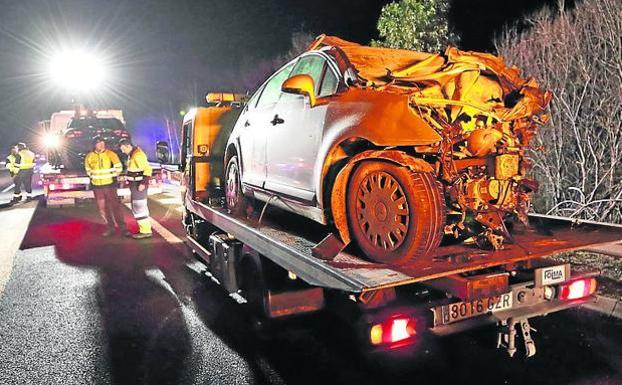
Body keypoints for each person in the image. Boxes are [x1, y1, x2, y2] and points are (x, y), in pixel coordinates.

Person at [84, 136, 128, 237]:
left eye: (103, 143)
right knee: (103, 209)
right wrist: (94, 177)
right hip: (97, 186)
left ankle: (123, 228)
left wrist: (112, 177)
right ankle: (110, 228)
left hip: (110, 185)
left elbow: (118, 167)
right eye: (99, 143)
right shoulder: (89, 156)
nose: (101, 145)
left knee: (116, 207)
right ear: (95, 145)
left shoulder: (110, 154)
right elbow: (88, 169)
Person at [119, 138, 153, 239]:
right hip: (135, 185)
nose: (122, 151)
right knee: (137, 207)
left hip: (138, 186)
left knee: (139, 207)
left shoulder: (137, 155)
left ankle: (145, 231)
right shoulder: (133, 154)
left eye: (123, 149)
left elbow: (147, 169)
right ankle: (144, 229)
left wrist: (143, 183)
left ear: (129, 146)